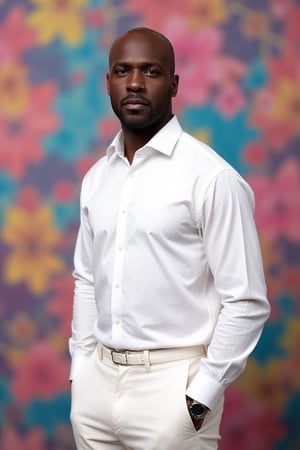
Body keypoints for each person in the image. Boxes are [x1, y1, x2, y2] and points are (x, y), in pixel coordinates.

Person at [69, 27, 270, 450]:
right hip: (96, 388)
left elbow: (246, 300)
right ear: (108, 83)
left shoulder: (211, 178)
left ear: (174, 84)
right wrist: (81, 369)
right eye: (123, 71)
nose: (136, 83)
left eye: (152, 71)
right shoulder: (96, 179)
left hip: (173, 392)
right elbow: (87, 278)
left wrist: (202, 395)